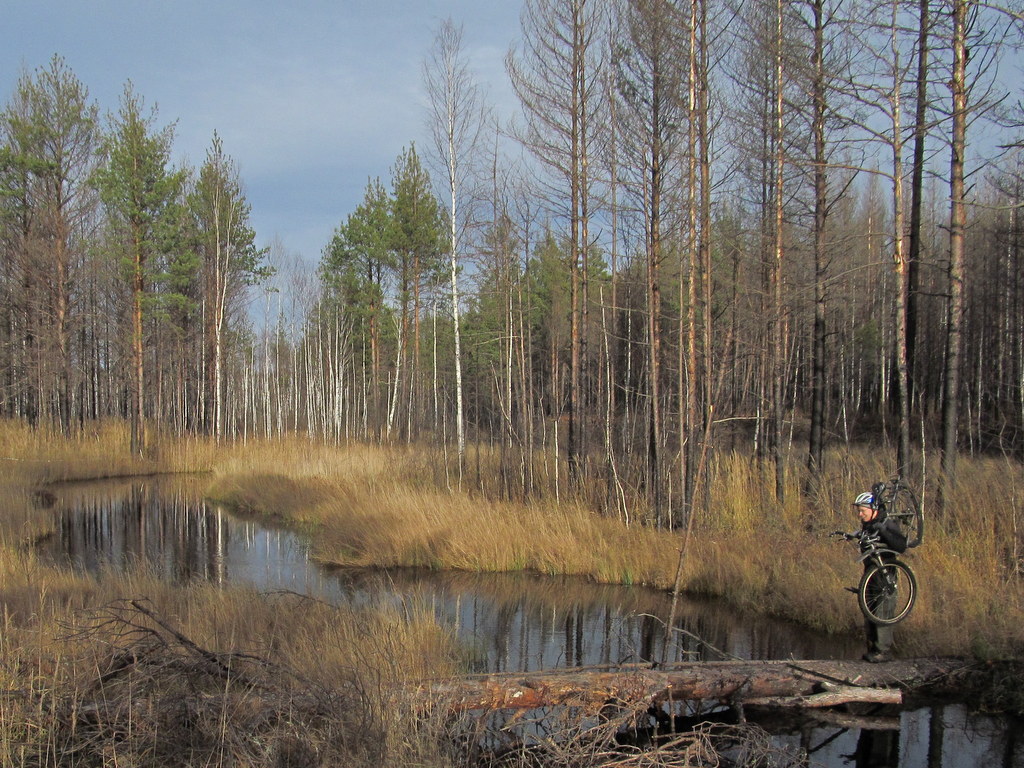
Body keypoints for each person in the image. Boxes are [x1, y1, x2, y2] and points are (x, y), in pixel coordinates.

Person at [853, 490, 908, 663]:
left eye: (863, 511)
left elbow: (901, 546)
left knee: (882, 612)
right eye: (859, 511)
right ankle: (872, 650)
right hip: (870, 573)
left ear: (873, 509)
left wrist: (884, 531)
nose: (860, 514)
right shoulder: (868, 523)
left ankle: (883, 651)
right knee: (869, 612)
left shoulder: (886, 523)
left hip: (886, 575)